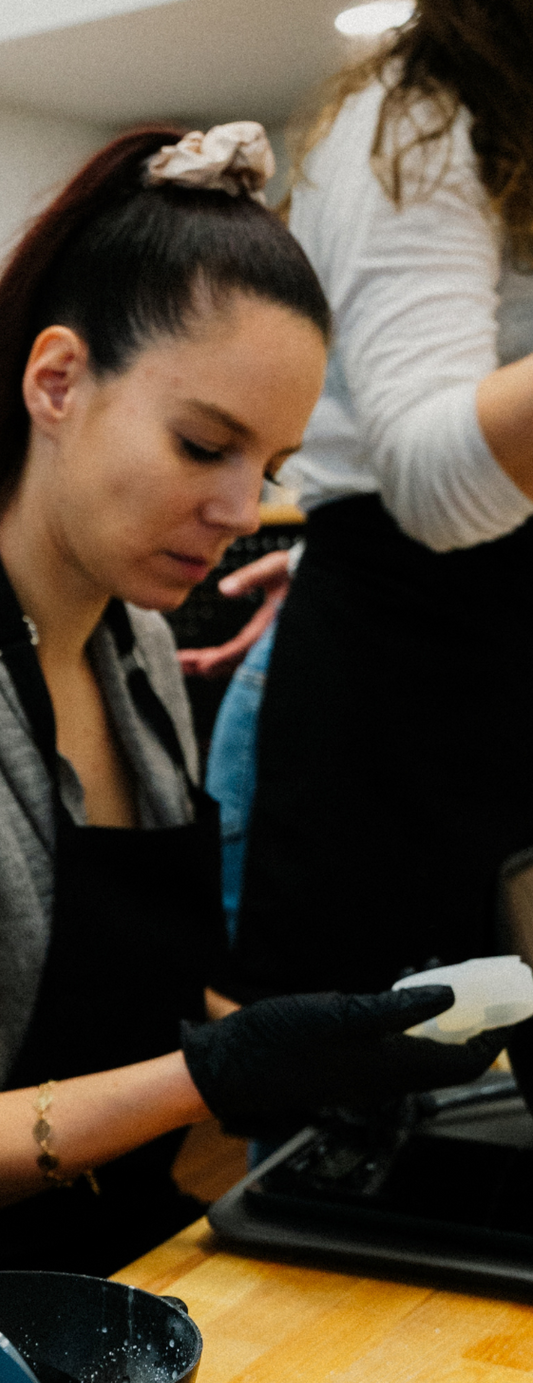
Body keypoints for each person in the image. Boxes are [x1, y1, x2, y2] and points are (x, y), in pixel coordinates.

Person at [0, 123, 497, 1285]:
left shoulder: (130, 645)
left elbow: (125, 1007)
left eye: (269, 467)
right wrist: (209, 1075)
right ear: (55, 381)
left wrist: (330, 1045)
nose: (239, 509)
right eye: (202, 444)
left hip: (127, 1268)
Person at [230, 0, 533, 1002]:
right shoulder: (414, 119)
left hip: (477, 652)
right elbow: (431, 485)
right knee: (398, 1068)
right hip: (412, 690)